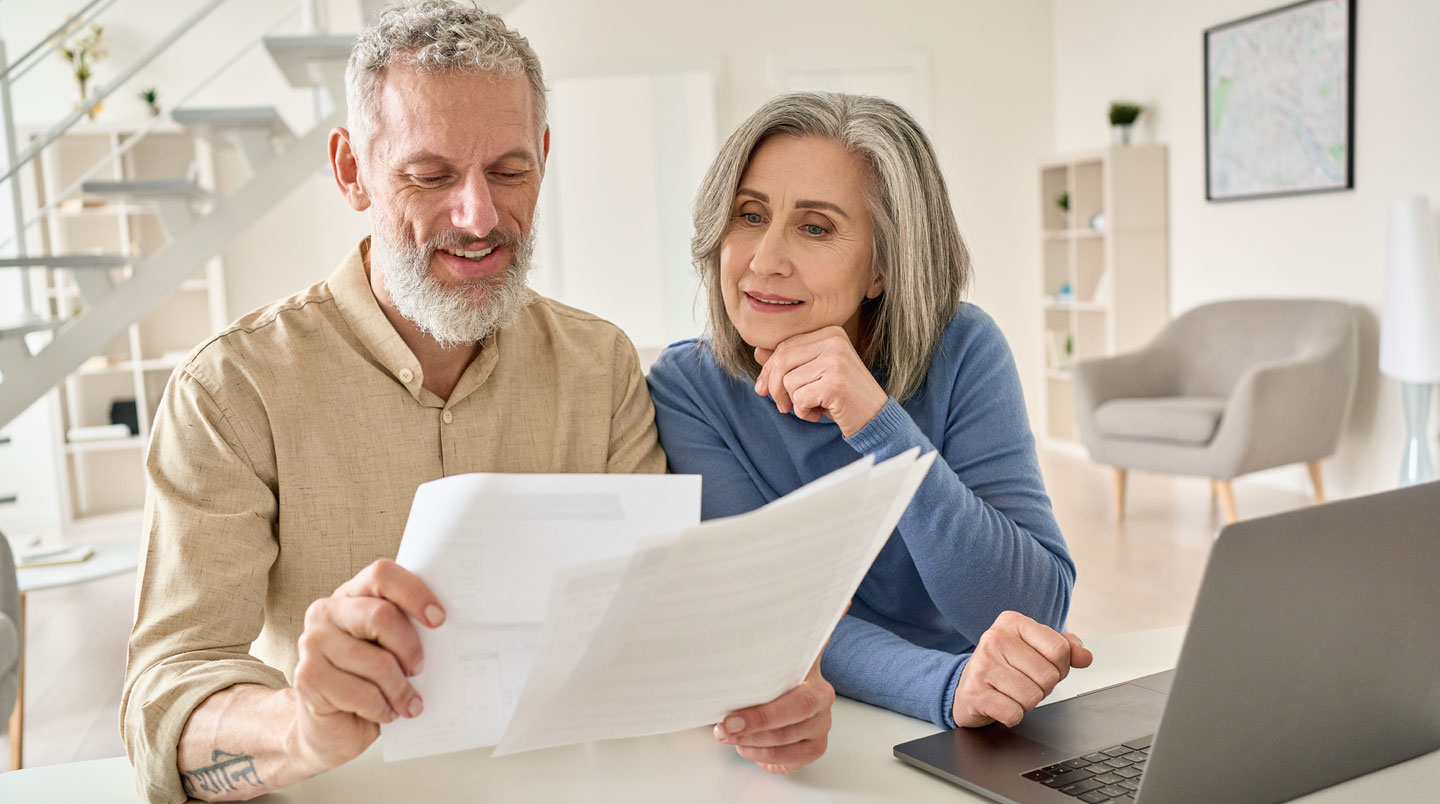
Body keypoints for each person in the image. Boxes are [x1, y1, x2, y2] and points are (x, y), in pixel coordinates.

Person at [121, 4, 829, 802]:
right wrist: (297, 728)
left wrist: (768, 683)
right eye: (430, 176)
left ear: (546, 158)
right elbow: (167, 695)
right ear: (352, 171)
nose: (480, 217)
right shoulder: (232, 390)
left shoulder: (601, 367)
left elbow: (659, 625)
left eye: (509, 170)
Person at [647, 92, 1093, 737]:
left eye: (815, 227)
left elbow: (1030, 608)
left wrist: (880, 426)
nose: (764, 259)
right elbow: (766, 612)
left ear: (882, 266)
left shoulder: (963, 349)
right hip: (803, 718)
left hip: (971, 716)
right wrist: (944, 687)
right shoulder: (688, 387)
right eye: (749, 215)